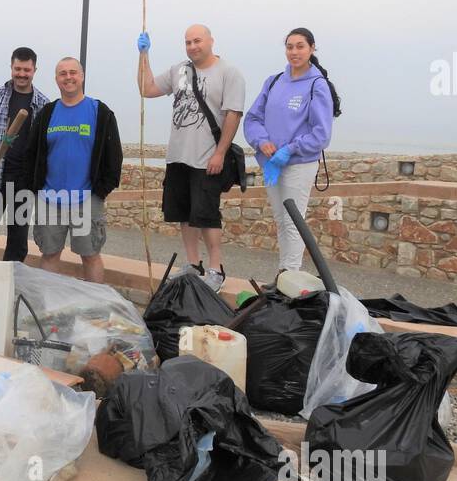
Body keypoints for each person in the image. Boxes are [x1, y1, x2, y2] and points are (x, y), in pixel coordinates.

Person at [136, 24, 245, 290]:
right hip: (178, 156)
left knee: (206, 215)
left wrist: (220, 153)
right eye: (188, 42)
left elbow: (233, 114)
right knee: (185, 214)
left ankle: (216, 269)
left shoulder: (229, 73)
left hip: (207, 156)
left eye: (197, 41)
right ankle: (194, 264)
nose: (193, 46)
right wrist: (143, 55)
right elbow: (147, 88)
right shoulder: (178, 70)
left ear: (211, 41)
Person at [243, 27, 335, 277]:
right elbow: (252, 119)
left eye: (300, 46)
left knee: (295, 221)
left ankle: (290, 275)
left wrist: (289, 150)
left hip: (298, 164)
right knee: (281, 220)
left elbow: (321, 134)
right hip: (271, 164)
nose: (294, 52)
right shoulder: (274, 81)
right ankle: (284, 275)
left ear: (312, 48)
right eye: (290, 46)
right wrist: (262, 142)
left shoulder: (318, 85)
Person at [22, 56, 122, 283]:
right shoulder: (47, 113)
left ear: (82, 75)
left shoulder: (100, 112)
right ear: (56, 79)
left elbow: (114, 156)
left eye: (73, 72)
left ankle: (94, 307)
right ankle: (47, 306)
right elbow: (32, 153)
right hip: (50, 198)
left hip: (87, 199)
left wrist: (102, 190)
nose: (68, 78)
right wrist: (35, 187)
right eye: (62, 73)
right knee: (49, 254)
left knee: (91, 256)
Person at [0, 47, 49, 261]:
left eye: (26, 70)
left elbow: (44, 146)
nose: (21, 74)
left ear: (34, 70)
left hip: (24, 180)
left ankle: (12, 283)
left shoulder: (43, 103)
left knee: (18, 240)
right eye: (17, 68)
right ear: (11, 67)